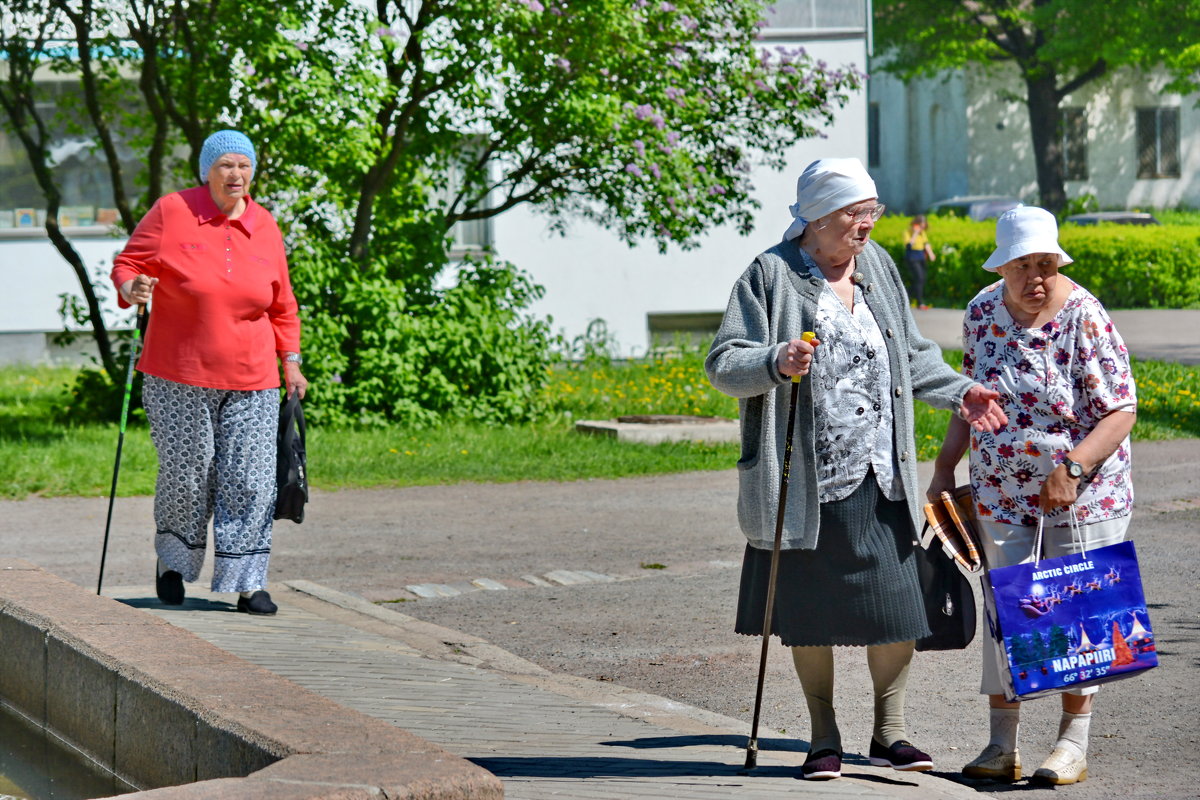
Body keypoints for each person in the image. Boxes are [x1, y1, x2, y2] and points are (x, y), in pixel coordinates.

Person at [705, 157, 1007, 781]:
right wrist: (775, 360)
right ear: (816, 218)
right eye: (854, 214)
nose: (866, 225)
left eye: (872, 212)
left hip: (881, 472)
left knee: (898, 607)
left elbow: (913, 355)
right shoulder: (773, 276)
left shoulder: (879, 270)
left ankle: (888, 731)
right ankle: (823, 736)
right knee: (810, 610)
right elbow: (723, 363)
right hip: (804, 480)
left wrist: (961, 393)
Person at [927, 206, 1136, 785]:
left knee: (1077, 612)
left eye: (1046, 262)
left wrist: (1072, 468)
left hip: (1083, 493)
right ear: (1002, 266)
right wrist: (945, 466)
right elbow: (972, 397)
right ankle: (1002, 745)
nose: (1036, 276)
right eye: (1023, 264)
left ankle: (1072, 744)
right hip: (1000, 488)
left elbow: (1121, 408)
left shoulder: (1084, 316)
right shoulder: (981, 312)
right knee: (1008, 610)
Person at [111, 129, 307, 617]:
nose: (235, 175)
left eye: (243, 165)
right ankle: (173, 564)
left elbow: (282, 304)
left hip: (254, 377)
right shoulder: (173, 211)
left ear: (252, 172)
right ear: (207, 170)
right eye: (225, 166)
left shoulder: (265, 226)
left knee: (252, 479)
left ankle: (247, 581)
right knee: (188, 474)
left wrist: (292, 361)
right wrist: (132, 285)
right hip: (178, 374)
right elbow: (129, 262)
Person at [902, 215, 935, 309]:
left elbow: (926, 244)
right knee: (919, 278)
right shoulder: (907, 232)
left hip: (921, 256)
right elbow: (909, 245)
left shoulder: (922, 233)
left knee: (922, 279)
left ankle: (907, 295)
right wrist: (915, 233)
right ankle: (920, 302)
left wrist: (931, 253)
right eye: (920, 226)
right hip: (912, 257)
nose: (922, 229)